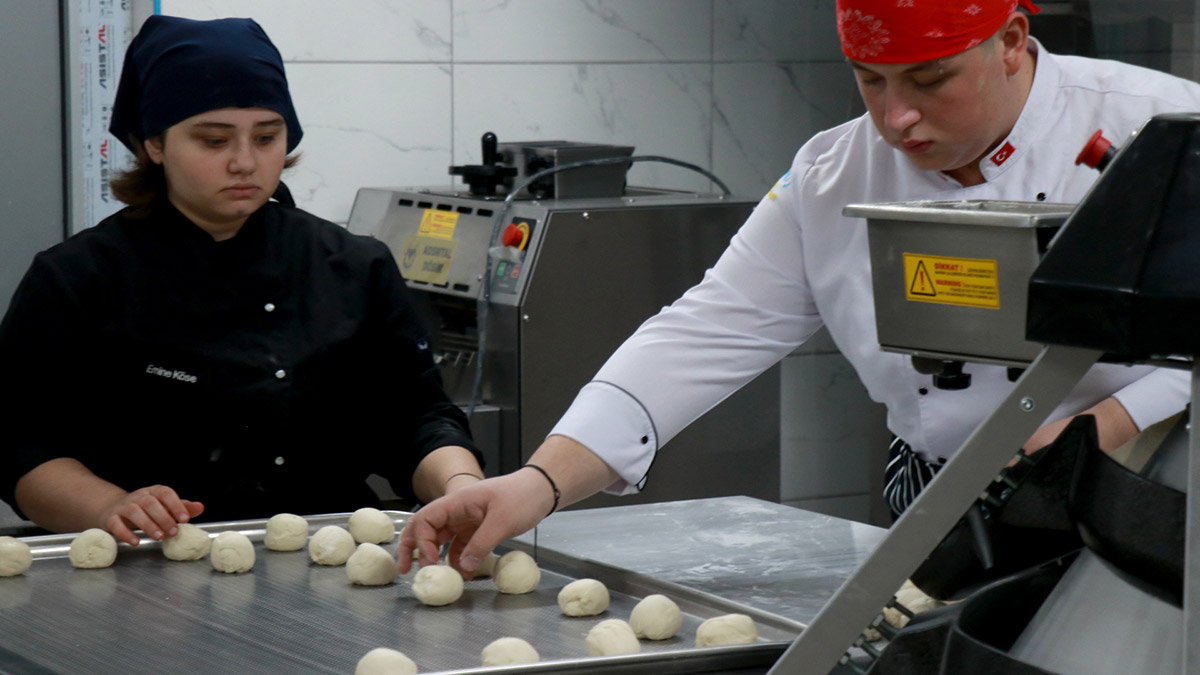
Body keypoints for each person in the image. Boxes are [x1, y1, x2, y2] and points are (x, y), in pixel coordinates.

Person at [399, 0, 1200, 577]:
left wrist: (1113, 418)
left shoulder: (1158, 131)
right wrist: (538, 483)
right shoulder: (832, 173)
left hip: (1145, 496)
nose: (897, 119)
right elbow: (702, 333)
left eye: (930, 80)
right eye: (871, 81)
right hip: (943, 492)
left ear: (1014, 41)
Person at [0, 16, 486, 547]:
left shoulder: (351, 265)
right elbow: (19, 447)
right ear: (155, 144)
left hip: (329, 560)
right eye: (213, 140)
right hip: (151, 573)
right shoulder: (78, 278)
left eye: (267, 137)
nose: (245, 162)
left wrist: (460, 484)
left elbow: (415, 418)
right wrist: (111, 505)